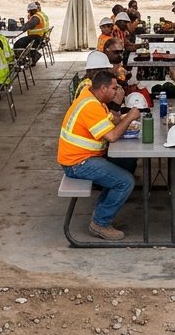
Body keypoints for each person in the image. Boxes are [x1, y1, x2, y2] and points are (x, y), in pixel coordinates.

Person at [57, 69, 141, 241]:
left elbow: (111, 121)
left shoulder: (92, 97)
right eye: (114, 88)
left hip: (84, 157)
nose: (117, 91)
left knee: (124, 165)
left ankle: (104, 213)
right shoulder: (91, 106)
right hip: (77, 163)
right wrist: (131, 116)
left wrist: (122, 115)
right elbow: (112, 136)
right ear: (103, 88)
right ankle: (100, 222)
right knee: (125, 181)